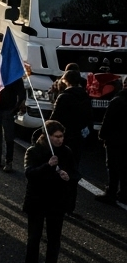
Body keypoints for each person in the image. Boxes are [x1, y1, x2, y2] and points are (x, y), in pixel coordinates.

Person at [22, 121, 78, 263]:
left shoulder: (66, 152)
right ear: (47, 136)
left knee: (54, 239)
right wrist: (48, 166)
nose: (60, 140)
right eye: (56, 137)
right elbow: (29, 174)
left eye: (62, 136)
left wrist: (69, 177)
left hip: (57, 202)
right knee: (34, 237)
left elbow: (75, 172)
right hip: (37, 201)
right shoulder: (33, 151)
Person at [50, 71, 92, 217]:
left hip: (65, 140)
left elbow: (54, 120)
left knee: (60, 171)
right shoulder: (85, 96)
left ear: (65, 80)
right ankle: (70, 206)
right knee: (73, 170)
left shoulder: (64, 97)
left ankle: (59, 203)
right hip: (78, 139)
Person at [0, 73, 25, 172]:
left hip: (7, 110)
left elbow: (22, 95)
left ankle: (8, 162)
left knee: (9, 137)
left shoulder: (14, 76)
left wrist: (14, 110)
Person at [96, 84, 127, 204]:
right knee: (125, 167)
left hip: (115, 139)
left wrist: (102, 135)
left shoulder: (117, 100)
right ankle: (124, 193)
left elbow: (108, 120)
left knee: (113, 166)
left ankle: (111, 192)